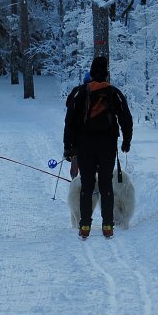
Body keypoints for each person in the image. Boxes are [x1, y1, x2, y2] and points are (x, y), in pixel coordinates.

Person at [63, 55, 134, 240]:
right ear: (106, 74)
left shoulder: (79, 93)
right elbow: (126, 118)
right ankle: (108, 226)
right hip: (107, 146)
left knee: (86, 185)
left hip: (84, 146)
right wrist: (126, 141)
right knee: (105, 185)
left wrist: (68, 146)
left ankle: (85, 225)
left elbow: (69, 121)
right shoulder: (114, 93)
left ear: (92, 72)